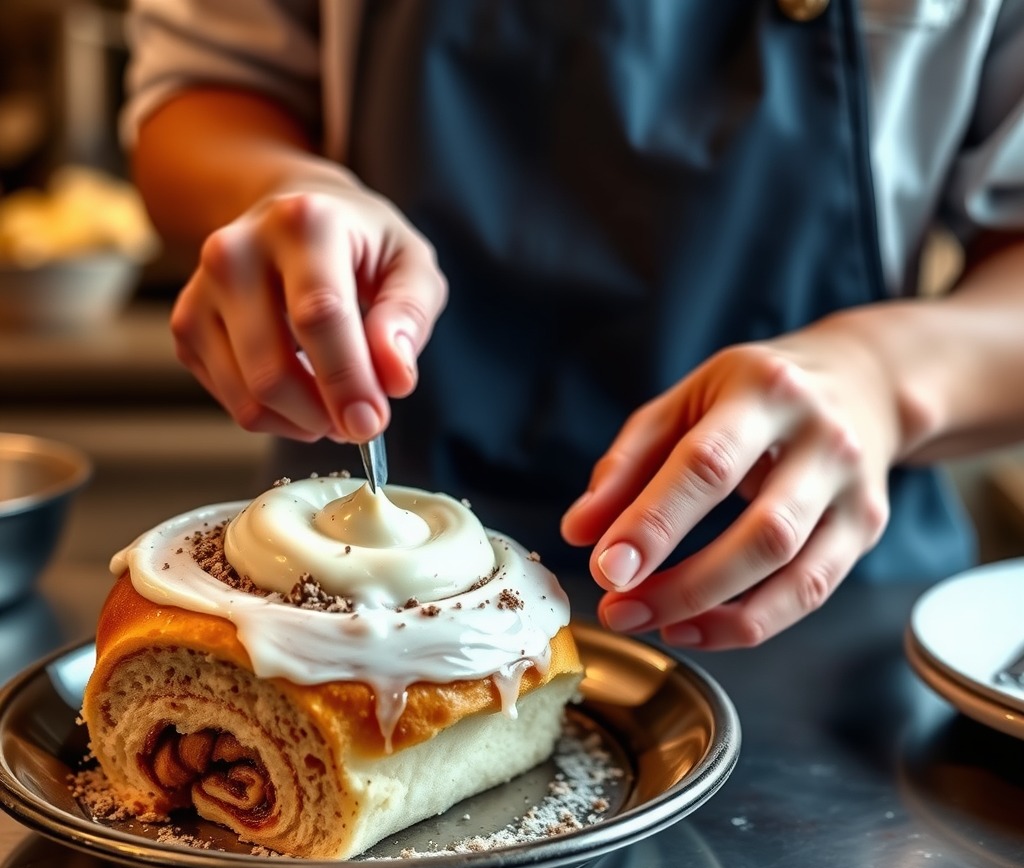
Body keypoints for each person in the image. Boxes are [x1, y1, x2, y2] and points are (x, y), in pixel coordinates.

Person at [122, 0, 1024, 650]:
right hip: (334, 606)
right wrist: (282, 193)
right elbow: (209, 82)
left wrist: (880, 380)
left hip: (829, 606)